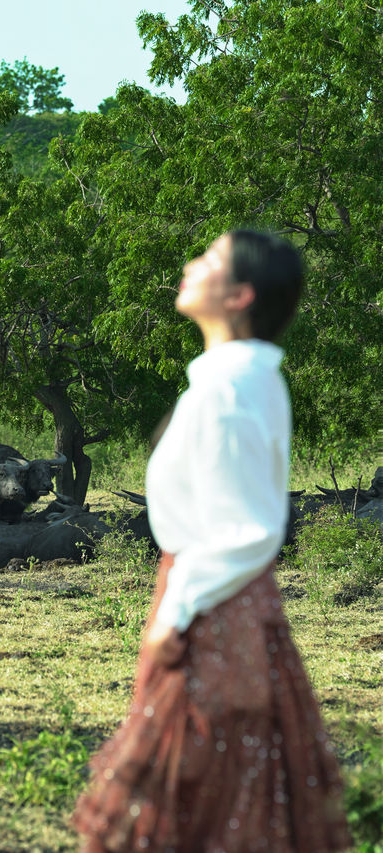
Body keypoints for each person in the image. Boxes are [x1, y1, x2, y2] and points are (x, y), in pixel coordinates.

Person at [72, 230, 352, 853]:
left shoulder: (230, 388)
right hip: (227, 600)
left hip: (212, 604)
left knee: (194, 790)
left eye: (210, 260)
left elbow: (249, 528)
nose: (191, 264)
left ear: (240, 294)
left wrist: (175, 612)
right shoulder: (239, 379)